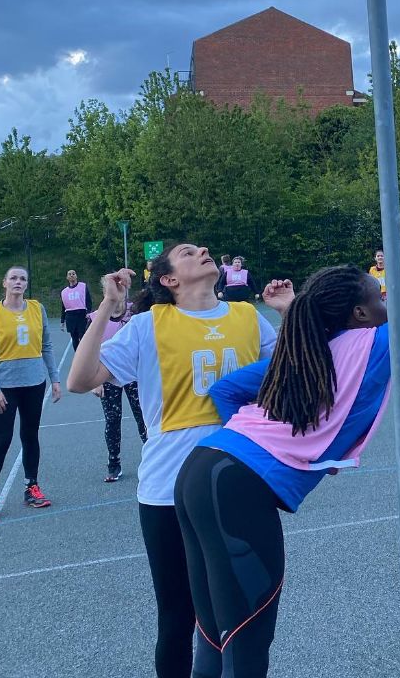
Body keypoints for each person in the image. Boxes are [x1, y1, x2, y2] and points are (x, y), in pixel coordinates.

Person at [173, 196, 400, 678]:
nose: (386, 304)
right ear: (360, 314)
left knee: (213, 637)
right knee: (246, 646)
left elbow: (226, 390)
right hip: (236, 486)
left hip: (201, 469)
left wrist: (257, 441)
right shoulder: (379, 345)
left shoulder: (304, 354)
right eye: (379, 299)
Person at [67, 243, 279, 678]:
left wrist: (291, 310)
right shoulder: (149, 324)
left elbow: (293, 374)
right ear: (169, 279)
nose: (203, 250)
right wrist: (107, 306)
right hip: (167, 490)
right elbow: (80, 379)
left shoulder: (247, 317)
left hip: (234, 483)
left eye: (201, 248)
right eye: (187, 252)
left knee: (240, 617)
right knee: (178, 617)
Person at [0, 265, 61, 521]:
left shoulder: (37, 308)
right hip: (4, 388)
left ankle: (31, 487)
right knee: (2, 440)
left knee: (30, 436)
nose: (18, 282)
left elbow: (46, 345)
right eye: (13, 278)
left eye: (22, 278)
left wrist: (55, 378)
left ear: (26, 284)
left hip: (34, 384)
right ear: (4, 282)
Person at [86, 304, 148, 482]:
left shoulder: (135, 313)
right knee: (112, 419)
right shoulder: (96, 318)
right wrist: (95, 380)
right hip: (107, 374)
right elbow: (90, 350)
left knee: (143, 417)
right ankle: (114, 463)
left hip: (133, 374)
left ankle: (152, 456)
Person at [60, 268, 93, 352]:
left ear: (76, 276)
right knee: (74, 339)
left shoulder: (83, 286)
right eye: (69, 274)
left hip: (81, 315)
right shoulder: (64, 292)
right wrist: (62, 321)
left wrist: (88, 312)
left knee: (83, 337)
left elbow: (88, 301)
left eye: (73, 273)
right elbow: (63, 307)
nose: (72, 275)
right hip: (70, 316)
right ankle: (77, 355)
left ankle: (85, 355)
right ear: (67, 277)